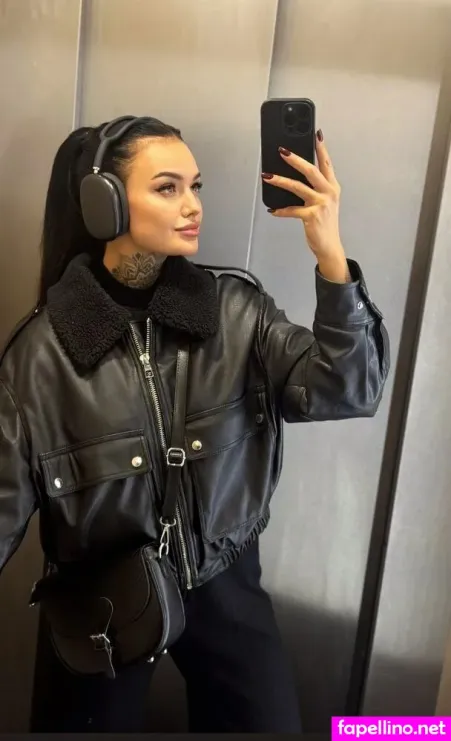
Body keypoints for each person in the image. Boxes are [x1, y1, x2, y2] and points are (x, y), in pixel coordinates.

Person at [0, 115, 389, 733]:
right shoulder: (41, 359)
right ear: (104, 202)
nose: (193, 205)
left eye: (195, 186)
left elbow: (349, 389)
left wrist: (330, 255)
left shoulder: (236, 312)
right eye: (168, 187)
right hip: (103, 606)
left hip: (225, 580)